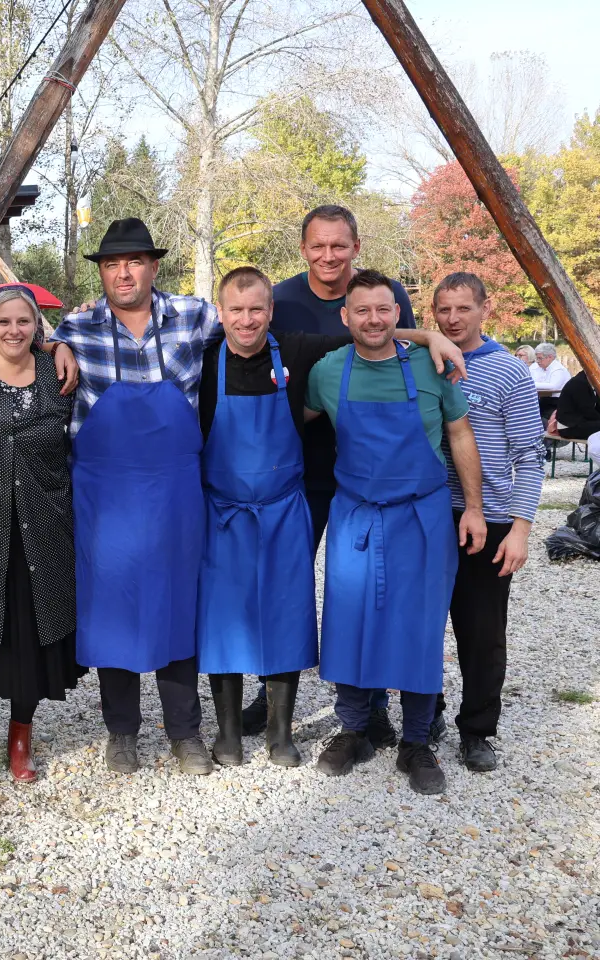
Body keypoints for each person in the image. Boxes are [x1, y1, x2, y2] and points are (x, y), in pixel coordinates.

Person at [197, 269, 464, 766]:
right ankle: (228, 733)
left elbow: (371, 334)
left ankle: (284, 733)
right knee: (221, 619)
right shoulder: (202, 359)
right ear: (221, 313)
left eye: (257, 308)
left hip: (283, 508)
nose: (247, 318)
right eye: (236, 310)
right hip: (223, 511)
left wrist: (429, 335)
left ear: (271, 310)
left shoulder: (298, 351)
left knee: (286, 613)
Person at [306, 270, 488, 796]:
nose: (373, 320)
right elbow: (289, 422)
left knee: (419, 625)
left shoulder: (431, 367)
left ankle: (415, 741)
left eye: (384, 310)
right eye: (361, 311)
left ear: (398, 315)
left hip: (422, 516)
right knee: (348, 619)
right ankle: (356, 728)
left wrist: (473, 508)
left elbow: (460, 434)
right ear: (346, 317)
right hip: (356, 515)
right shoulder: (328, 370)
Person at [50, 217, 220, 777]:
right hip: (105, 493)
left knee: (177, 605)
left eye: (134, 262)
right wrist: (48, 342)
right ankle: (121, 731)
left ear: (153, 266)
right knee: (111, 609)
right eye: (111, 264)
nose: (122, 273)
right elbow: (6, 326)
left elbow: (261, 321)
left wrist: (419, 334)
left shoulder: (195, 316)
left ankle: (185, 732)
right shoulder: (73, 328)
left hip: (174, 490)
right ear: (100, 271)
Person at [251, 205, 418, 744]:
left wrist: (432, 338)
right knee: (284, 584)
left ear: (356, 246)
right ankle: (270, 695)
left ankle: (373, 704)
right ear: (303, 249)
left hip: (366, 480)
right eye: (318, 246)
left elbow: (403, 347)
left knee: (369, 592)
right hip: (295, 472)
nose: (328, 256)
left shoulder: (384, 293)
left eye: (338, 246)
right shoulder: (282, 300)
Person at [0, 286, 81, 783]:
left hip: (45, 523)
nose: (14, 331)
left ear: (38, 326)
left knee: (31, 631)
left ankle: (20, 731)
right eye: (3, 322)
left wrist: (59, 346)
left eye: (24, 322)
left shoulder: (57, 373)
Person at [432, 273, 545, 770]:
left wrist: (520, 527)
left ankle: (477, 729)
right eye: (443, 310)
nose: (453, 319)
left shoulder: (508, 372)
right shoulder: (425, 362)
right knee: (424, 622)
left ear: (484, 308)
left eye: (463, 309)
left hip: (491, 518)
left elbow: (530, 454)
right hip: (432, 512)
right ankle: (425, 712)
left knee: (480, 631)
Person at [555, 369, 600, 441]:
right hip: (569, 427)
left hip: (582, 422)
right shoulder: (578, 383)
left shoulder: (591, 381)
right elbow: (587, 410)